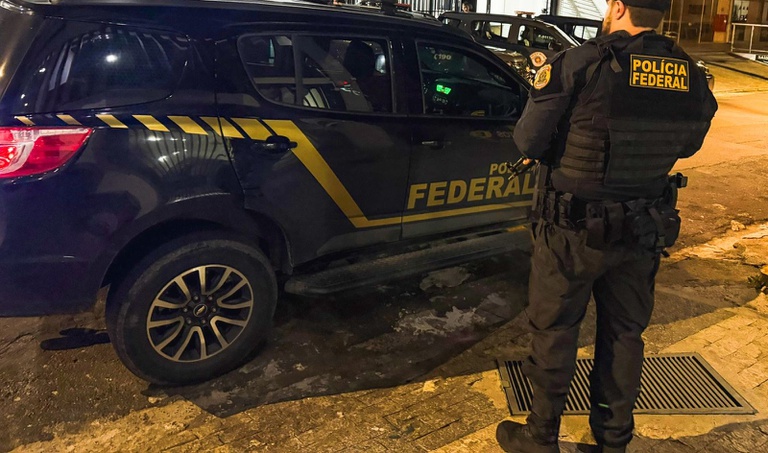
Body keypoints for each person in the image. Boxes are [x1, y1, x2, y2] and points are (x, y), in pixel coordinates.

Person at [496, 0, 717, 452]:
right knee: (624, 334)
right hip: (641, 227)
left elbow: (528, 140)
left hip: (571, 230)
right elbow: (689, 145)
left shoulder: (581, 63)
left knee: (556, 329)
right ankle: (613, 441)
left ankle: (541, 436)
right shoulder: (689, 74)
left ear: (617, 7)